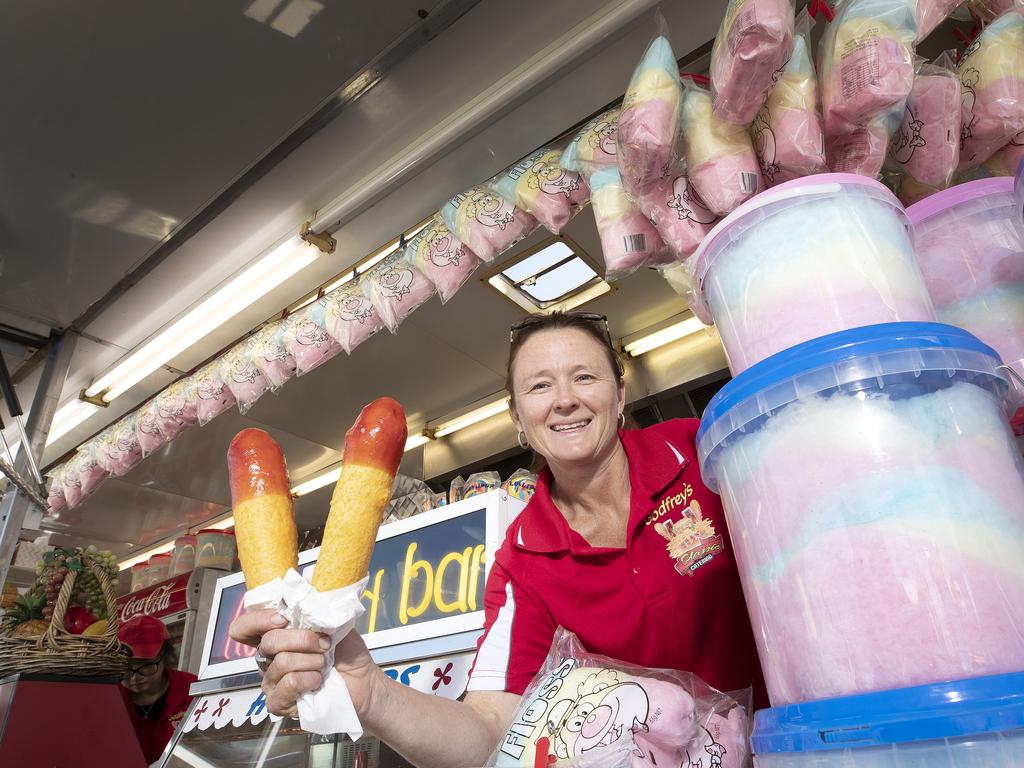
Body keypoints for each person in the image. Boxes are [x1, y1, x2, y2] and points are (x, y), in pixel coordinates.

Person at [230, 311, 764, 768]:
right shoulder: (521, 561)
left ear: (620, 394)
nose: (564, 400)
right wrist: (370, 695)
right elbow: (490, 730)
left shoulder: (697, 452)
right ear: (517, 420)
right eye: (538, 386)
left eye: (584, 377)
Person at [119, 615, 197, 764]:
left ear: (165, 657)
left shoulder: (191, 688)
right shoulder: (110, 698)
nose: (134, 678)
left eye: (146, 665)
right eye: (125, 668)